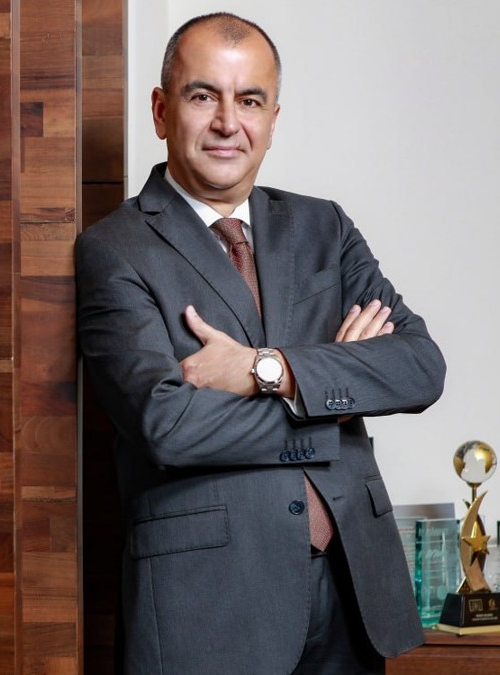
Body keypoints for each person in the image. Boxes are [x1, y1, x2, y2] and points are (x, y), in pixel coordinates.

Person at [76, 12, 446, 675]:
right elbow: (167, 425)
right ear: (161, 111)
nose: (228, 122)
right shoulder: (114, 249)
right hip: (209, 603)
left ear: (273, 119)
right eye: (202, 96)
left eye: (249, 100)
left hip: (351, 588)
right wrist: (332, 403)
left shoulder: (323, 227)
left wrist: (265, 369)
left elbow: (419, 367)